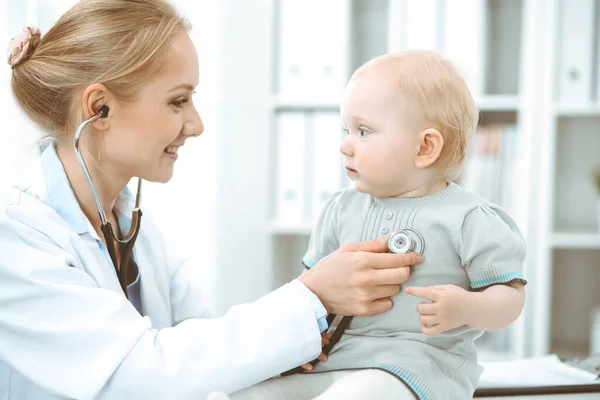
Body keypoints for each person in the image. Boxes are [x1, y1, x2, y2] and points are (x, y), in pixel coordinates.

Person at [0, 1, 424, 399]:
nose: (196, 125)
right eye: (178, 101)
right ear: (101, 108)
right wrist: (311, 296)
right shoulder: (15, 237)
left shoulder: (135, 230)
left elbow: (200, 350)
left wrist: (281, 356)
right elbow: (132, 372)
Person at [229, 51, 528, 400]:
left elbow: (511, 297)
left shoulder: (470, 220)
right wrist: (303, 339)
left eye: (364, 131)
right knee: (248, 393)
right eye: (347, 130)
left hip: (417, 368)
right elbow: (312, 291)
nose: (345, 145)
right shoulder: (341, 209)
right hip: (336, 359)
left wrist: (467, 308)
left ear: (425, 147)